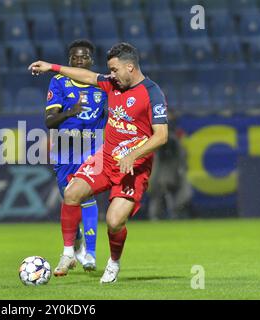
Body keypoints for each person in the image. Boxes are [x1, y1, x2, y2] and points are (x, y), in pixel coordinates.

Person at [29, 42, 169, 283]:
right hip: (105, 159)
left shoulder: (152, 93)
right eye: (110, 71)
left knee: (114, 222)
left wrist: (133, 155)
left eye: (114, 70)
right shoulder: (112, 84)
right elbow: (88, 76)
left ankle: (113, 263)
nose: (111, 75)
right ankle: (68, 253)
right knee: (72, 193)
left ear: (130, 67)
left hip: (133, 168)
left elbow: (162, 135)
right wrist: (51, 67)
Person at [45, 39, 107, 274]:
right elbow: (49, 122)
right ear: (69, 60)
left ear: (92, 60)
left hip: (92, 150)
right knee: (70, 199)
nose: (80, 61)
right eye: (75, 57)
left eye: (84, 57)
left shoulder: (102, 86)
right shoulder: (58, 82)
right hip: (63, 150)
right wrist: (70, 112)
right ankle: (78, 242)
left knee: (87, 196)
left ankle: (86, 252)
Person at [147, 110, 192, 220]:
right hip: (161, 167)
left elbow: (183, 153)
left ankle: (175, 213)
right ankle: (156, 216)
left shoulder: (178, 134)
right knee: (159, 192)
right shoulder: (156, 132)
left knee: (181, 193)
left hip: (175, 166)